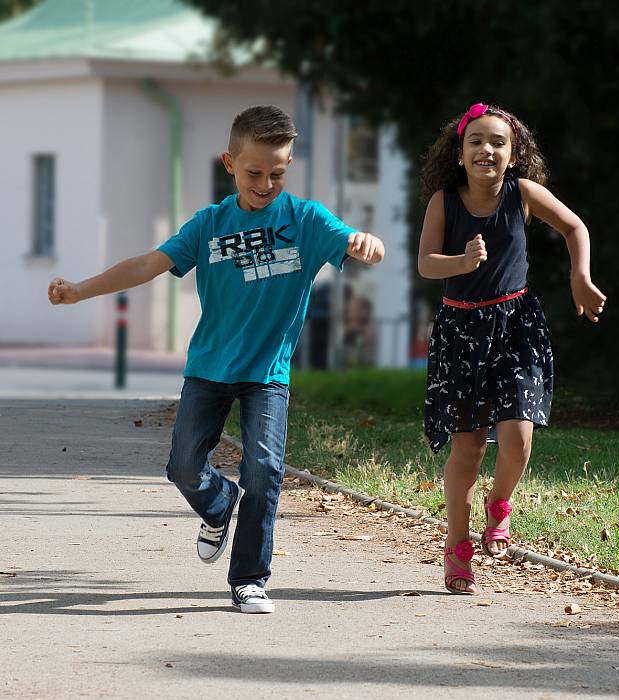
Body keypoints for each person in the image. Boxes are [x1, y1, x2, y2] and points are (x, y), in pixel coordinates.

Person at [48, 105, 385, 613]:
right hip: (208, 367)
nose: (266, 183)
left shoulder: (307, 220)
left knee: (265, 471)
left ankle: (250, 578)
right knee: (183, 466)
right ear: (230, 162)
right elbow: (147, 264)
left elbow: (355, 242)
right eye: (254, 172)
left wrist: (369, 244)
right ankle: (218, 504)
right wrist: (81, 290)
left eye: (278, 172)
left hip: (267, 374)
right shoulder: (208, 225)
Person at [417, 102, 605, 594]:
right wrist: (459, 261)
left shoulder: (522, 194)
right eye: (476, 140)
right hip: (461, 333)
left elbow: (574, 227)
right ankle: (457, 543)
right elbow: (425, 264)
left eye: (498, 142)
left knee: (519, 438)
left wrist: (579, 277)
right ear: (459, 153)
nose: (487, 149)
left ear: (513, 154)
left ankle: (499, 505)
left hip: (516, 324)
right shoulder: (445, 201)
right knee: (469, 446)